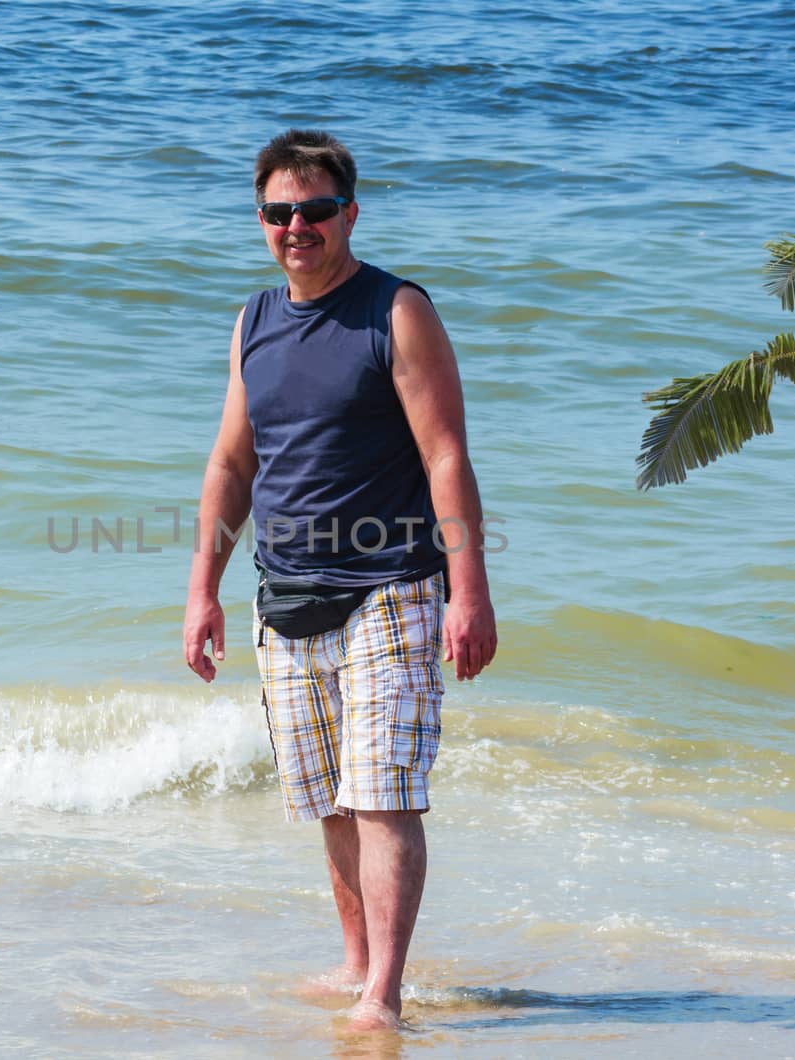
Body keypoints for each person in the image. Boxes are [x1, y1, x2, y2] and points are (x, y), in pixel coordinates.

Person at [182, 129, 497, 1031]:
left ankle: (382, 994)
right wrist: (203, 588)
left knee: (383, 792)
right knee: (326, 797)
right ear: (262, 220)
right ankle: (356, 962)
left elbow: (446, 457)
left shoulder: (396, 311)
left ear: (348, 214)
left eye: (315, 210)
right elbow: (231, 466)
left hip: (390, 586)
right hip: (284, 596)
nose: (297, 226)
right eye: (280, 212)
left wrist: (468, 591)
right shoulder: (252, 321)